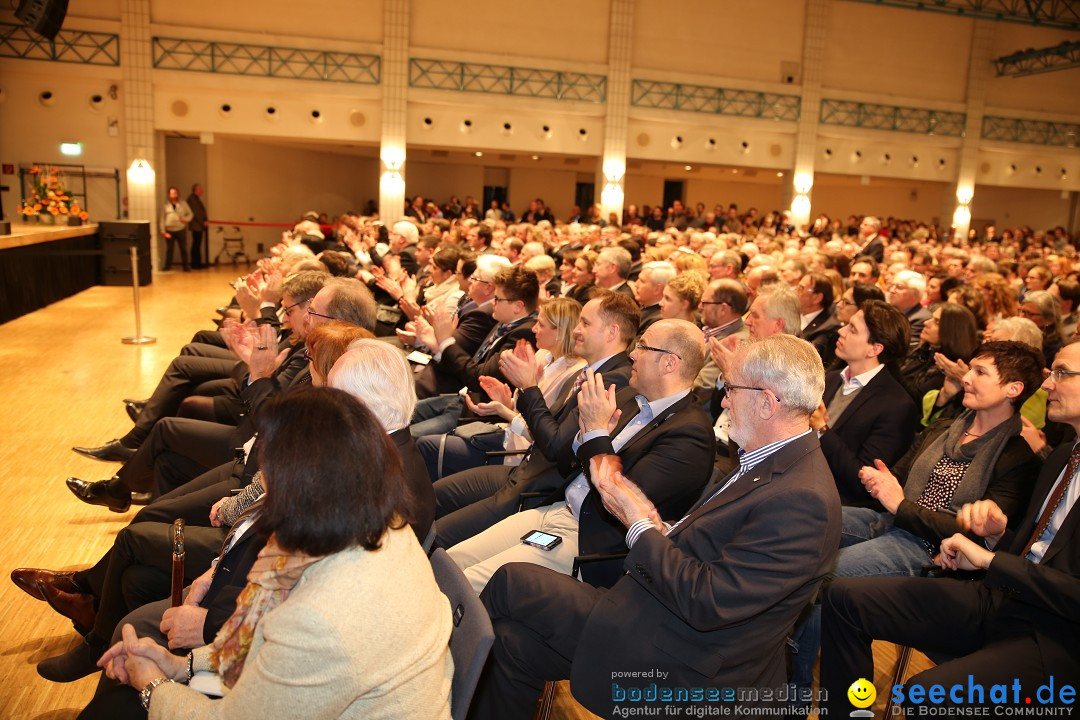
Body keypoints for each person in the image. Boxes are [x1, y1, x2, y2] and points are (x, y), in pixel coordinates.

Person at [468, 335, 842, 718]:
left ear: (767, 402)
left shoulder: (803, 498)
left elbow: (710, 603)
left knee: (511, 581)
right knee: (510, 646)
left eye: (731, 389)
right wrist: (658, 528)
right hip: (659, 611)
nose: (724, 401)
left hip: (687, 660)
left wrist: (639, 525)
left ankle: (423, 680)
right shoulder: (769, 462)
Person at [94, 388, 453, 718]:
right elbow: (262, 641)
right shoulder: (385, 527)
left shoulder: (320, 619)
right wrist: (183, 667)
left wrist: (152, 685)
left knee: (126, 701)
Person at [820, 340, 1080, 714]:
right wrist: (995, 537)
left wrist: (989, 557)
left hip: (1054, 630)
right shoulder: (1061, 457)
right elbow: (1027, 548)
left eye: (1061, 373)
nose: (1049, 384)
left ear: (1012, 390)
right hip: (1002, 594)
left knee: (923, 693)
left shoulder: (1019, 456)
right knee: (842, 595)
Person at [446, 318, 715, 592]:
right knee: (451, 562)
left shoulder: (690, 435)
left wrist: (596, 433)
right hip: (558, 509)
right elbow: (565, 457)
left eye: (643, 347)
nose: (632, 353)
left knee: (467, 584)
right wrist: (585, 434)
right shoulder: (629, 397)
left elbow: (622, 501)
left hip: (589, 538)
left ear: (669, 363)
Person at [416, 297, 585, 480]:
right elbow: (527, 409)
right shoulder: (543, 355)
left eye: (541, 325)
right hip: (505, 435)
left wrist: (504, 410)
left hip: (518, 456)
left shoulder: (572, 374)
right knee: (420, 433)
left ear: (559, 332)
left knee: (426, 445)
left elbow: (544, 433)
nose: (534, 329)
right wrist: (507, 400)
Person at [811, 300, 918, 507]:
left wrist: (821, 431)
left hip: (840, 502)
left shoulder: (897, 406)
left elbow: (863, 481)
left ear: (875, 349)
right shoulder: (829, 379)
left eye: (852, 329)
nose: (841, 331)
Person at [161, 186, 193, 272]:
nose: (174, 195)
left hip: (180, 229)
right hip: (169, 230)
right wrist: (162, 230)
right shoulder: (166, 206)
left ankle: (186, 266)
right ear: (169, 195)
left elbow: (190, 214)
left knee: (183, 248)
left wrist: (186, 219)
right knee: (169, 249)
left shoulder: (183, 204)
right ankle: (168, 266)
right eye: (172, 193)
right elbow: (162, 218)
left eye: (175, 193)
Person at [187, 184, 208, 269]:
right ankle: (195, 263)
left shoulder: (196, 199)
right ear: (195, 190)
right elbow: (196, 213)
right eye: (200, 189)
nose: (201, 191)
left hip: (198, 225)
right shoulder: (192, 199)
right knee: (196, 244)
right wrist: (203, 222)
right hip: (196, 225)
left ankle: (197, 262)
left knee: (197, 244)